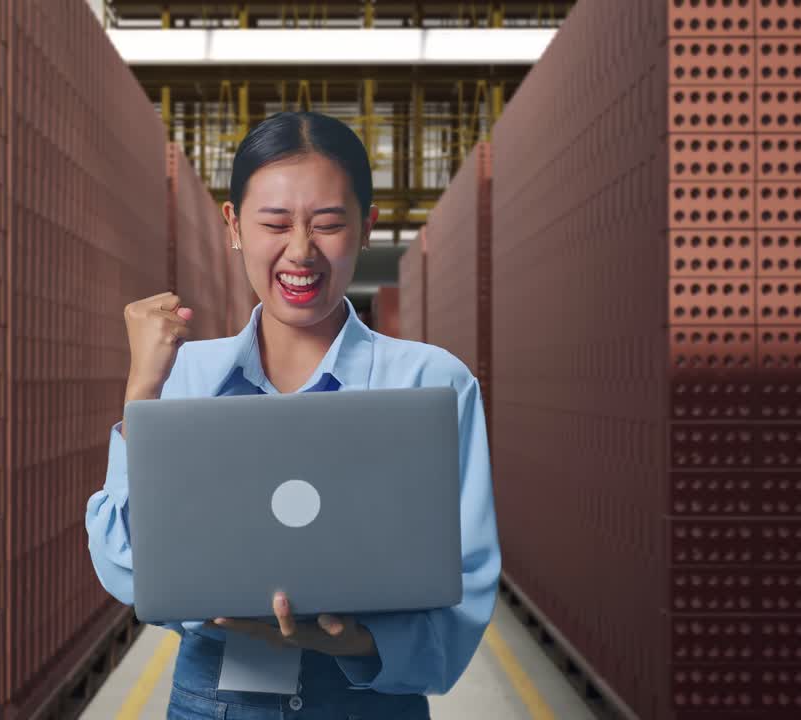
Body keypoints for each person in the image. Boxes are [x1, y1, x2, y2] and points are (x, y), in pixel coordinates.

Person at [85, 111, 500, 719]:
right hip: (214, 703)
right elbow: (126, 565)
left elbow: (465, 584)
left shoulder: (432, 383)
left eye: (329, 224)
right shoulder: (185, 378)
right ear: (234, 227)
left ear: (366, 229)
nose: (300, 251)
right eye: (274, 223)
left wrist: (355, 643)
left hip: (370, 703)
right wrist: (142, 390)